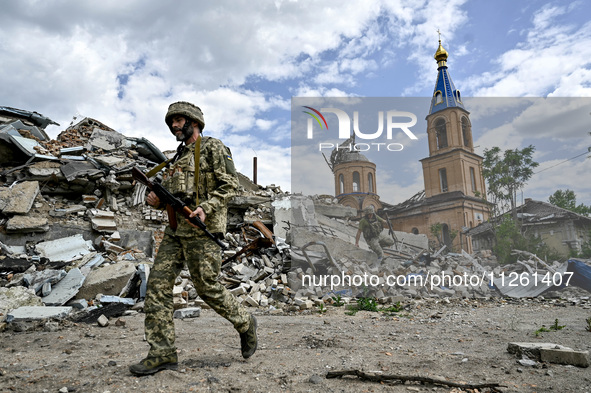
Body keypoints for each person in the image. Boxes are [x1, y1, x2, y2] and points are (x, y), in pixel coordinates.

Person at [129, 101, 257, 376]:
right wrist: (156, 202)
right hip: (176, 232)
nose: (174, 125)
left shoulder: (212, 147)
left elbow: (229, 184)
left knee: (207, 288)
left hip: (203, 229)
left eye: (179, 120)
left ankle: (246, 322)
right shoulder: (176, 159)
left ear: (194, 122)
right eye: (171, 121)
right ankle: (162, 353)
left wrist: (205, 208)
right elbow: (174, 198)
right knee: (157, 287)